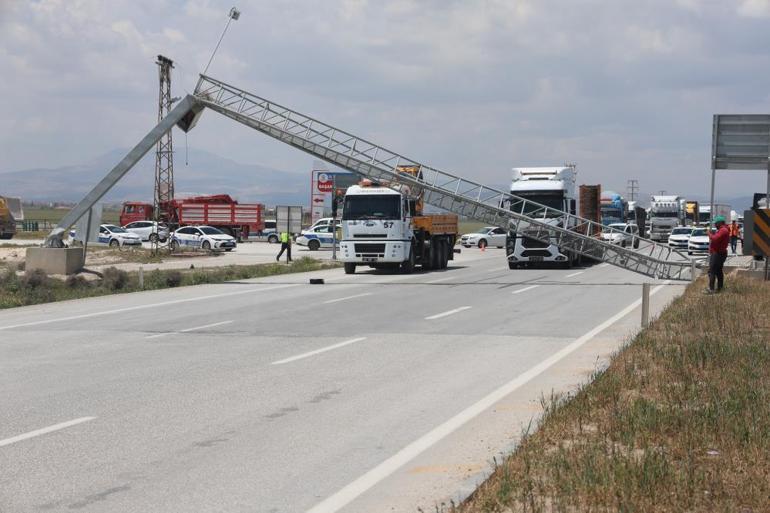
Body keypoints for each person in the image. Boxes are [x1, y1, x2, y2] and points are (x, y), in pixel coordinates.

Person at [705, 215, 729, 294]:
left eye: (716, 223)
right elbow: (717, 238)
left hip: (718, 254)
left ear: (720, 223)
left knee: (712, 271)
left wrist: (709, 234)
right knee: (718, 271)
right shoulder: (723, 230)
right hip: (719, 253)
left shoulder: (723, 230)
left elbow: (715, 239)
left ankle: (711, 289)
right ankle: (720, 288)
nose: (715, 225)